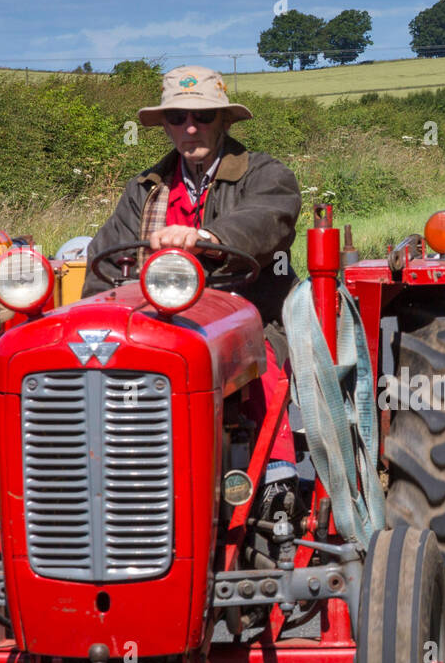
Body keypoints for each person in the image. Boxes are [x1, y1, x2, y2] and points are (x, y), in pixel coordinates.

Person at [86, 65, 303, 521]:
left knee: (255, 360)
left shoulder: (264, 174)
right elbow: (105, 259)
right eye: (178, 117)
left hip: (250, 313)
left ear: (225, 121)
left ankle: (275, 477)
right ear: (164, 125)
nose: (190, 128)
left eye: (203, 117)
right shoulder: (145, 190)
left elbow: (269, 219)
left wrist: (210, 237)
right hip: (160, 322)